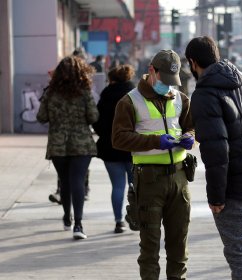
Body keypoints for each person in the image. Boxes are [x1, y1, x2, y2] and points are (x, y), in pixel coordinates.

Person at [185, 36, 242, 280]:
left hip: (234, 191)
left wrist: (216, 196)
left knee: (239, 254)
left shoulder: (205, 95)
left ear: (193, 62)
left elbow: (216, 151)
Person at [111, 49, 194, 280]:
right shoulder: (129, 102)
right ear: (151, 71)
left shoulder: (181, 99)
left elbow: (191, 128)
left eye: (172, 81)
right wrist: (155, 142)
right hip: (149, 181)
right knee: (150, 248)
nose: (169, 86)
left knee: (179, 245)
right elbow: (118, 139)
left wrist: (190, 137)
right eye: (164, 79)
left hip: (180, 178)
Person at [37, 56, 99, 240]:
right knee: (77, 181)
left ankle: (66, 217)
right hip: (81, 143)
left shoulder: (51, 93)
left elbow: (41, 117)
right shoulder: (84, 91)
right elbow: (94, 116)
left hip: (58, 144)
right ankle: (78, 224)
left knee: (64, 181)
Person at [92, 64, 136, 234]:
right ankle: (137, 217)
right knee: (136, 185)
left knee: (117, 186)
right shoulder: (136, 95)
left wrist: (106, 134)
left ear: (111, 80)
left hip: (111, 148)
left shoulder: (106, 95)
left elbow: (97, 121)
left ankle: (119, 222)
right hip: (134, 148)